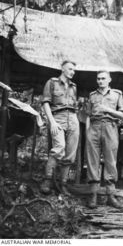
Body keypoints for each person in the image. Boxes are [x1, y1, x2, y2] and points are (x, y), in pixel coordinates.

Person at [86, 70, 123, 209]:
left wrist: (107, 110)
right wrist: (87, 130)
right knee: (92, 161)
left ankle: (111, 196)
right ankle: (93, 195)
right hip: (94, 127)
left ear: (109, 79)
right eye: (98, 79)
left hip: (110, 127)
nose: (100, 81)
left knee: (110, 161)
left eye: (103, 78)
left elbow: (122, 115)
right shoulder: (92, 95)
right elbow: (87, 114)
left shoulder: (117, 94)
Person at [40, 60, 79, 195]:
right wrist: (52, 122)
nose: (72, 72)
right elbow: (45, 103)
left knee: (70, 154)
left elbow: (74, 106)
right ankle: (47, 180)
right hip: (58, 118)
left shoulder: (74, 86)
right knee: (59, 148)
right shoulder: (52, 82)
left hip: (73, 119)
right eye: (70, 69)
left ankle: (63, 184)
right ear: (62, 68)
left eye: (74, 70)